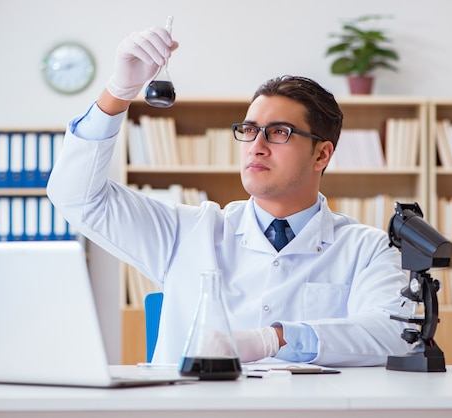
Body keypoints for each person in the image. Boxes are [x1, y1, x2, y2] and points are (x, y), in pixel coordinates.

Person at [47, 24, 410, 367]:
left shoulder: (367, 249)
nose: (257, 146)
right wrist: (118, 92)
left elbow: (397, 334)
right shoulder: (187, 231)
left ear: (322, 154)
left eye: (279, 132)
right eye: (249, 130)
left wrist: (277, 339)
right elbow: (76, 196)